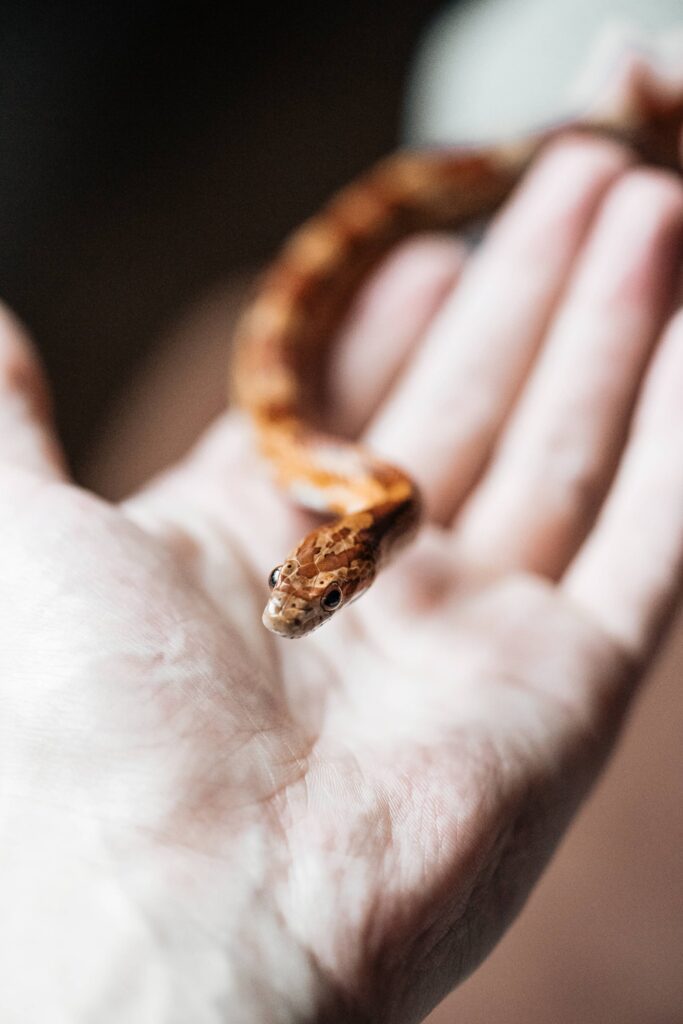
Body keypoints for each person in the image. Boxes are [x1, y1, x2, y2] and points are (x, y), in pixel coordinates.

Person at [1, 124, 681, 1022]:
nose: (292, 614)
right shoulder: (349, 500)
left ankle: (597, 129)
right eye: (299, 585)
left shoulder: (376, 503)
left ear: (357, 572)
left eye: (316, 597)